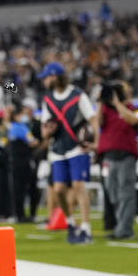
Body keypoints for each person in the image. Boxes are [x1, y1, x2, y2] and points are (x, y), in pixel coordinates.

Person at [39, 62, 95, 244]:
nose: (45, 81)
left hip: (77, 146)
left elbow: (92, 119)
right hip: (58, 149)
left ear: (54, 77)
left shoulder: (77, 95)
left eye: (47, 77)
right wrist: (47, 131)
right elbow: (44, 127)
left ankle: (86, 227)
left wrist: (95, 142)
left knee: (79, 185)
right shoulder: (47, 99)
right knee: (59, 189)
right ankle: (70, 222)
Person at [92, 81, 138, 240]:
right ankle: (120, 225)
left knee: (126, 193)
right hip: (108, 157)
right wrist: (101, 102)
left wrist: (117, 103)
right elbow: (97, 123)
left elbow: (134, 120)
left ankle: (124, 230)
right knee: (112, 192)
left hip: (126, 157)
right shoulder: (106, 111)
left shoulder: (133, 109)